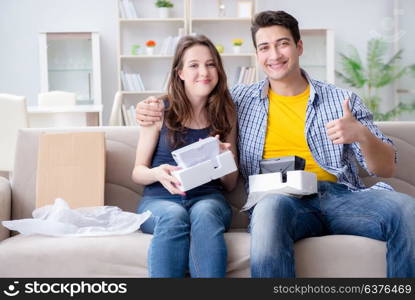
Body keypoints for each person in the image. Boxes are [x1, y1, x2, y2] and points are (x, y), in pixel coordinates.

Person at [135, 11, 415, 277]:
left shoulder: (342, 101)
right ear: (257, 55)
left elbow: (386, 167)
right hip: (279, 200)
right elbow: (196, 92)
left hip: (339, 196)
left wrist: (362, 135)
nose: (274, 55)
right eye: (264, 47)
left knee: (407, 209)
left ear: (299, 47)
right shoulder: (238, 101)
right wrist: (148, 107)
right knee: (269, 210)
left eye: (282, 44)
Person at [131, 34, 238, 278]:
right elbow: (137, 171)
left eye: (211, 64)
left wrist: (221, 160)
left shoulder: (226, 114)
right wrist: (158, 172)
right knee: (174, 216)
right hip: (160, 201)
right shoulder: (158, 110)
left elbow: (231, 184)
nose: (204, 71)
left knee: (205, 212)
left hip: (208, 199)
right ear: (179, 72)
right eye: (194, 65)